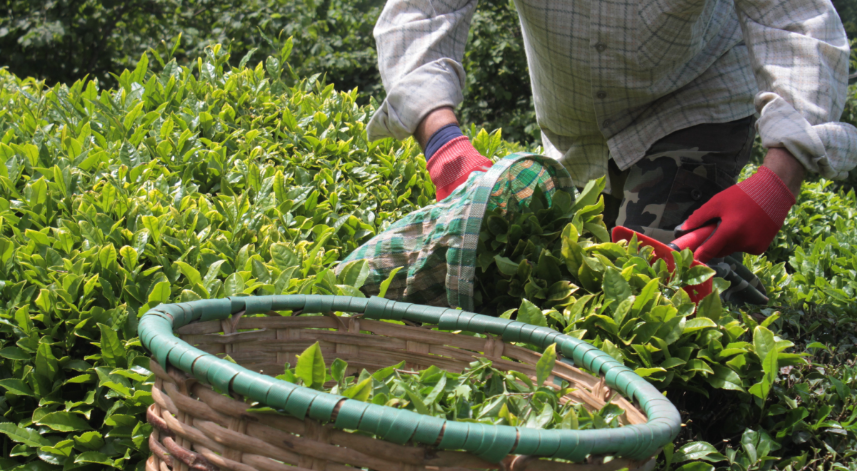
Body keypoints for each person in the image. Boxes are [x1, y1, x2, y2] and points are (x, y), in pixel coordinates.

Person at [365, 0, 856, 264]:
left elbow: (795, 21)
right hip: (574, 115)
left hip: (693, 94)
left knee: (653, 265)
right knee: (576, 261)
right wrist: (444, 143)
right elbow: (422, 11)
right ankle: (728, 274)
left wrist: (780, 175)